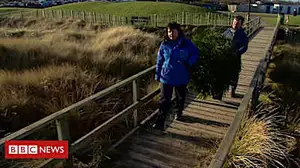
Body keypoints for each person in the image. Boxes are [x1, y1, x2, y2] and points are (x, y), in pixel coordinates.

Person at [154, 22, 199, 130]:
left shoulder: (186, 43)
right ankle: (160, 123)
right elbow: (159, 60)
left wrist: (189, 62)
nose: (171, 34)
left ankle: (178, 113)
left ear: (178, 31)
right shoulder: (164, 44)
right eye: (169, 31)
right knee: (164, 100)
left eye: (173, 31)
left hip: (181, 76)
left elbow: (195, 53)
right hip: (166, 77)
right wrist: (157, 74)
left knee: (180, 97)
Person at [221, 15, 248, 99]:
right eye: (234, 22)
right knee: (223, 75)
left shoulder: (242, 35)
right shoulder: (226, 32)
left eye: (237, 23)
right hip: (225, 57)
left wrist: (238, 52)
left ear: (241, 24)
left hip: (235, 58)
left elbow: (245, 46)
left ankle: (233, 92)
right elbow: (220, 41)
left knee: (234, 75)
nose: (235, 24)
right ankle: (221, 92)